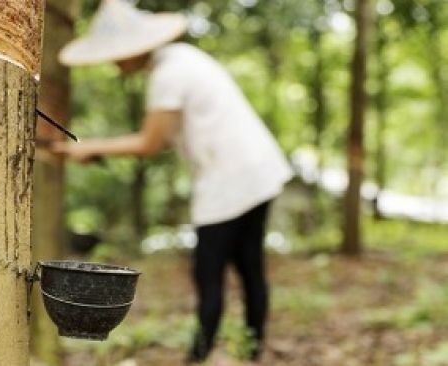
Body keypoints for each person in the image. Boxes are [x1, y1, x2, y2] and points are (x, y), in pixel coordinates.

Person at [53, 0, 293, 364]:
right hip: (257, 170)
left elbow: (151, 142)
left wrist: (88, 148)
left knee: (209, 273)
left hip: (231, 179)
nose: (116, 65)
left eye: (117, 56)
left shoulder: (169, 73)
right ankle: (251, 352)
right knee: (249, 268)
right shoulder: (181, 59)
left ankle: (197, 358)